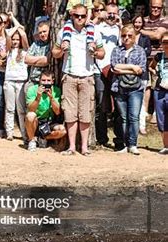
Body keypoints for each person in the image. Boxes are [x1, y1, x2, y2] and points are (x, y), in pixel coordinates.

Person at [53, 4, 105, 156]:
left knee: (85, 113)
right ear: (72, 16)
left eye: (83, 16)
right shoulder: (64, 32)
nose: (80, 19)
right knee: (70, 113)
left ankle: (84, 147)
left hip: (87, 76)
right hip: (69, 75)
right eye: (77, 16)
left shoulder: (93, 32)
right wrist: (61, 49)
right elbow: (55, 52)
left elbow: (102, 53)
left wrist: (95, 51)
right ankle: (71, 147)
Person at [110, 24, 147, 155]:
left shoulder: (140, 51)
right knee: (123, 117)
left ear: (134, 37)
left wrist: (122, 69)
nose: (126, 38)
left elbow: (141, 69)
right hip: (119, 87)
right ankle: (125, 144)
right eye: (124, 35)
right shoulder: (116, 50)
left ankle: (133, 144)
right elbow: (114, 67)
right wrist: (131, 66)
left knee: (134, 117)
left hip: (136, 88)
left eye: (129, 36)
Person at [94, 3, 122, 148]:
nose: (111, 16)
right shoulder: (98, 28)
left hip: (116, 71)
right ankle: (102, 138)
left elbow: (125, 45)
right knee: (101, 105)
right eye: (109, 13)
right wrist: (98, 17)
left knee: (118, 105)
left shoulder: (120, 30)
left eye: (114, 14)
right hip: (99, 70)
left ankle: (118, 140)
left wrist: (121, 24)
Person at [25, 71, 66, 152]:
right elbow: (31, 110)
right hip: (35, 122)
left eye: (48, 80)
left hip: (49, 122)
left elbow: (57, 112)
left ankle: (42, 137)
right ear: (39, 81)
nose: (46, 83)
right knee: (30, 115)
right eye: (43, 80)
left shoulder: (56, 90)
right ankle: (32, 140)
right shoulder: (32, 90)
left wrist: (51, 98)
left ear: (52, 81)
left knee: (62, 131)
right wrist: (38, 97)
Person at [3, 27, 29, 142]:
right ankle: (9, 132)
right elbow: (8, 36)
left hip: (21, 82)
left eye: (17, 39)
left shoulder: (25, 51)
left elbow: (24, 35)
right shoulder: (9, 51)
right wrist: (15, 27)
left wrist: (18, 27)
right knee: (9, 108)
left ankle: (24, 133)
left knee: (21, 110)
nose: (15, 41)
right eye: (14, 39)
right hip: (9, 81)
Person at [133, 14, 152, 135]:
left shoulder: (145, 38)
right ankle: (133, 126)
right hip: (128, 75)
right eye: (136, 22)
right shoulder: (127, 36)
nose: (138, 25)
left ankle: (142, 125)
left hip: (142, 73)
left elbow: (147, 52)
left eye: (140, 22)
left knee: (141, 101)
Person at [149, 31, 168, 154]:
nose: (167, 44)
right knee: (162, 119)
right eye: (165, 42)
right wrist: (154, 71)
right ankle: (166, 146)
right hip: (159, 90)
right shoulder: (159, 56)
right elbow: (150, 66)